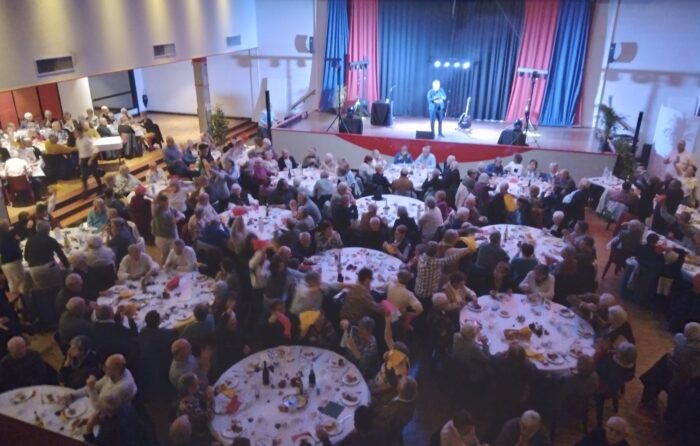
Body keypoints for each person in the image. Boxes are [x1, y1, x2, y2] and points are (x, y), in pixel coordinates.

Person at [137, 310, 178, 402]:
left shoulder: (142, 332)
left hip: (147, 365)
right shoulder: (168, 334)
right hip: (164, 362)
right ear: (159, 321)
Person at [71, 353, 137, 407]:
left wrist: (91, 389)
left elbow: (99, 408)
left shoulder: (121, 388)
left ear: (117, 370)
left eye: (107, 368)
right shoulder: (116, 373)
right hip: (100, 402)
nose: (104, 369)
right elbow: (96, 385)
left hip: (112, 414)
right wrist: (73, 395)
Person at [24, 221, 69, 289]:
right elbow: (61, 256)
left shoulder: (29, 240)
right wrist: (68, 267)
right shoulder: (51, 240)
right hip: (49, 268)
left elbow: (26, 257)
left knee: (42, 288)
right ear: (48, 230)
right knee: (58, 286)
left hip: (35, 270)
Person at [75, 126, 102, 197]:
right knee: (83, 176)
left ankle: (100, 188)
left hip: (90, 159)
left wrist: (91, 159)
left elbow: (96, 149)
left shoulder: (87, 139)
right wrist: (80, 159)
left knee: (96, 174)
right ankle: (85, 191)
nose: (75, 134)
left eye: (76, 132)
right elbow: (80, 150)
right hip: (83, 159)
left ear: (80, 132)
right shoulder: (77, 140)